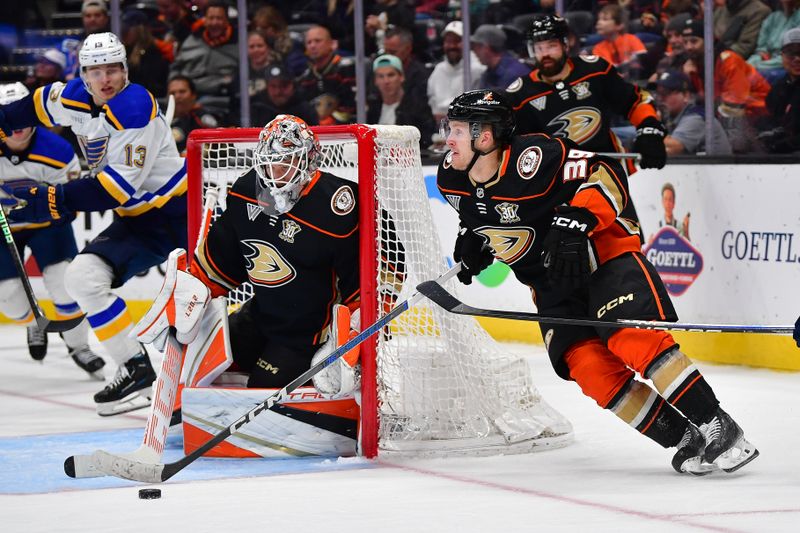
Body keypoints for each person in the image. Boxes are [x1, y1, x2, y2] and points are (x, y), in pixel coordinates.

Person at [436, 89, 759, 475]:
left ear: (484, 136)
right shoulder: (450, 178)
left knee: (630, 338)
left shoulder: (535, 158)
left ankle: (718, 424)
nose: (447, 139)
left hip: (605, 255)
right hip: (552, 283)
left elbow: (605, 172)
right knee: (589, 369)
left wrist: (580, 219)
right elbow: (488, 216)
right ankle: (685, 437)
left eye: (455, 130)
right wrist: (474, 240)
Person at [0, 32, 187, 416]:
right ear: (82, 73)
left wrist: (56, 199)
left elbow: (115, 189)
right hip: (138, 221)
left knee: (198, 309)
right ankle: (135, 367)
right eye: (95, 70)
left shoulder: (136, 109)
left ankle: (209, 383)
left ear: (125, 70)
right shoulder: (72, 97)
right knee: (82, 277)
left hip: (181, 217)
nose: (105, 78)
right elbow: (28, 109)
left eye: (113, 68)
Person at [141, 115, 362, 393]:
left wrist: (353, 331)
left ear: (308, 160)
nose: (274, 170)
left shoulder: (337, 205)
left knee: (261, 390)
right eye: (269, 160)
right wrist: (190, 294)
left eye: (285, 160)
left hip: (307, 335)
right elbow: (222, 260)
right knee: (199, 358)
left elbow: (370, 274)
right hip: (260, 316)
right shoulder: (247, 190)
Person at [0, 82, 105, 378]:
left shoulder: (58, 151)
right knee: (7, 294)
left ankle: (79, 345)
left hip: (48, 226)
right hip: (3, 228)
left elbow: (69, 201)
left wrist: (40, 208)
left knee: (64, 282)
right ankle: (35, 323)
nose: (16, 126)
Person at [507, 14, 667, 176]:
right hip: (554, 179)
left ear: (566, 45)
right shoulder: (520, 94)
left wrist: (649, 129)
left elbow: (634, 100)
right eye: (539, 48)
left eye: (551, 46)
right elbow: (511, 142)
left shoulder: (594, 70)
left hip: (606, 168)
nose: (545, 54)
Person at [169, 1, 238, 119]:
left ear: (227, 20)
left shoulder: (238, 44)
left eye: (219, 18)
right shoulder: (192, 40)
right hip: (186, 97)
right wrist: (175, 85)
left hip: (220, 100)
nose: (214, 23)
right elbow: (176, 67)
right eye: (211, 18)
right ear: (204, 20)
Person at [656, 70, 732, 156]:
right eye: (658, 93)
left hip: (717, 168)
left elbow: (673, 148)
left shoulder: (695, 118)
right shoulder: (672, 117)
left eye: (665, 93)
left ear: (685, 96)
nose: (660, 98)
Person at [367, 54, 436, 148]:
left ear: (401, 77)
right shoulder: (373, 109)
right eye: (381, 76)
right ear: (375, 81)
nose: (386, 81)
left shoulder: (418, 107)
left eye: (391, 75)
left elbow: (426, 140)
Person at [427, 21, 487, 123]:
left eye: (457, 41)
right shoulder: (438, 69)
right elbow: (432, 99)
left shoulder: (478, 69)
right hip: (440, 129)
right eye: (448, 41)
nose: (451, 46)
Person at [296, 25, 356, 125]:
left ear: (333, 44)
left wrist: (331, 121)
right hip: (315, 132)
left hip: (347, 128)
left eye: (317, 41)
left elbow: (352, 104)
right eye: (309, 42)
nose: (312, 46)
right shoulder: (305, 78)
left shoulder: (346, 68)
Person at [758, 27, 800, 153]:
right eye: (791, 53)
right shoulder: (778, 88)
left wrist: (782, 145)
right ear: (782, 56)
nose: (797, 59)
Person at [746, 0, 800, 83]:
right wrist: (756, 59)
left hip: (788, 64)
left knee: (757, 74)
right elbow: (761, 49)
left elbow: (792, 55)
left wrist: (759, 65)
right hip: (767, 61)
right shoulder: (772, 18)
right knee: (742, 67)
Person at [167, 75, 221, 155]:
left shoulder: (202, 118)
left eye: (182, 92)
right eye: (172, 93)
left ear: (193, 95)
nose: (177, 96)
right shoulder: (160, 120)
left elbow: (219, 144)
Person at [251, 63, 318, 127]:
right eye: (273, 86)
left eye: (284, 86)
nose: (278, 91)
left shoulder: (305, 109)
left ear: (293, 85)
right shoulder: (258, 109)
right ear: (267, 87)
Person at [592, 3, 647, 80]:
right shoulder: (598, 49)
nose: (599, 22)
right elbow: (607, 72)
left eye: (605, 19)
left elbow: (642, 60)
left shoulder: (631, 39)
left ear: (620, 25)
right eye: (599, 19)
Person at [471, 24, 531, 91]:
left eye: (477, 47)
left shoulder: (515, 73)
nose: (474, 51)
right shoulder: (488, 73)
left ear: (487, 47)